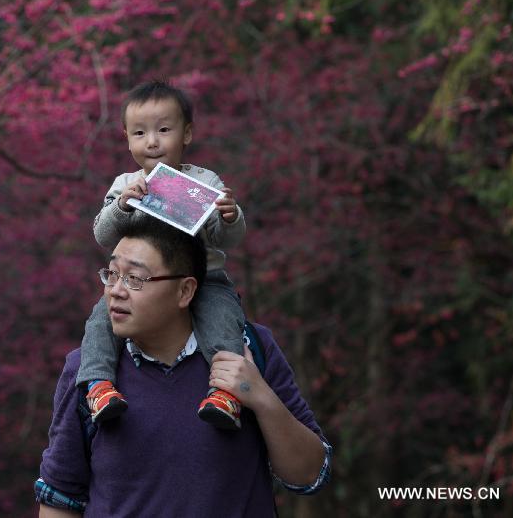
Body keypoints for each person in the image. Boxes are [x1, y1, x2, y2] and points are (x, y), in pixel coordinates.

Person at [36, 219, 332, 516]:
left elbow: (309, 475)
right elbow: (60, 497)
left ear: (185, 291)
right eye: (111, 275)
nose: (115, 291)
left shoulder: (251, 351)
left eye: (135, 278)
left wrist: (261, 397)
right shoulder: (87, 370)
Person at [80, 80, 248, 429]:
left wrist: (230, 216)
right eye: (140, 133)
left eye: (164, 129)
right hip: (138, 282)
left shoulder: (205, 182)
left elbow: (222, 239)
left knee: (223, 318)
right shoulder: (124, 184)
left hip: (205, 278)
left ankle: (227, 394)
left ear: (187, 134)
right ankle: (98, 386)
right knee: (100, 320)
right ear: (126, 137)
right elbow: (102, 235)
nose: (152, 141)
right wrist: (123, 205)